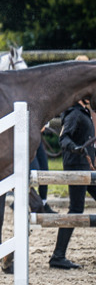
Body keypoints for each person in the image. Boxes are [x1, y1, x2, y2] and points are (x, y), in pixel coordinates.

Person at [49, 59, 95, 269]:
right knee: (75, 208)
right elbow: (63, 138)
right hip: (77, 166)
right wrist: (76, 148)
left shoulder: (83, 111)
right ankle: (58, 256)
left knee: (76, 208)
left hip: (88, 168)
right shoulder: (75, 114)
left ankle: (58, 256)